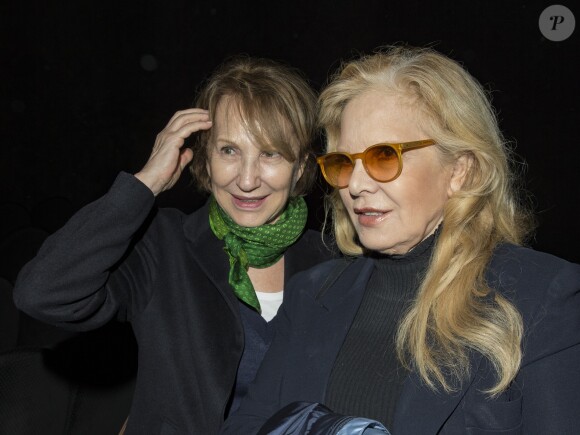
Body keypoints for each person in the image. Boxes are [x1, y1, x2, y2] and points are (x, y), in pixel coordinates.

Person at [221, 46, 580, 434]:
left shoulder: (544, 299)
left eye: (383, 156)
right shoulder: (312, 295)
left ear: (459, 169)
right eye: (344, 162)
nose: (355, 185)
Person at [13, 56, 334, 434]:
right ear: (204, 156)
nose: (247, 180)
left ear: (300, 167)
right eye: (228, 150)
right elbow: (42, 293)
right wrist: (144, 184)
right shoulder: (164, 245)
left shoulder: (332, 261)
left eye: (270, 153)